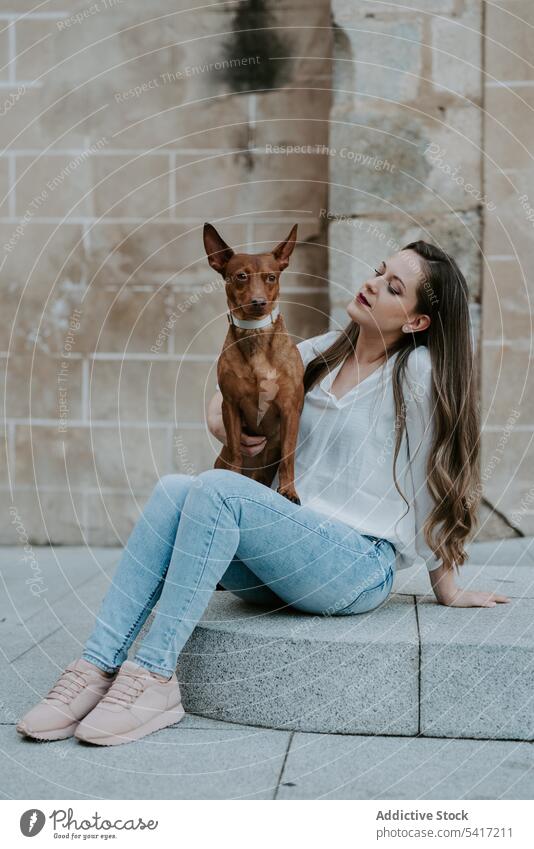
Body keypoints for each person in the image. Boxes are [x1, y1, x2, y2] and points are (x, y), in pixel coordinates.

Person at [16, 240, 509, 747]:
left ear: (416, 323)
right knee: (174, 490)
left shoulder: (417, 374)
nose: (372, 283)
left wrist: (446, 584)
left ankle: (154, 678)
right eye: (379, 271)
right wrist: (222, 423)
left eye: (393, 287)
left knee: (217, 491)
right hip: (281, 559)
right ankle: (96, 666)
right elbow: (225, 396)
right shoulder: (317, 352)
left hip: (354, 566)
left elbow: (438, 473)